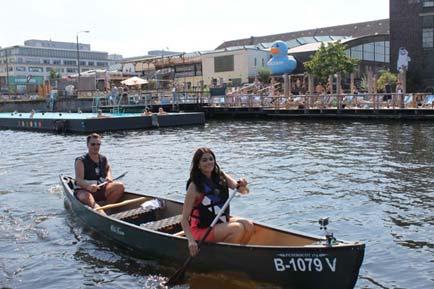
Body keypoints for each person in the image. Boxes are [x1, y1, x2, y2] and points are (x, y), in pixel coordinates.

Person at [181, 148, 254, 257]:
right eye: (204, 160)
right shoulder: (194, 186)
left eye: (211, 159)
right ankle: (225, 258)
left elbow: (243, 191)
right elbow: (184, 220)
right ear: (198, 165)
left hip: (220, 222)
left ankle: (237, 256)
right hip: (202, 229)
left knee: (249, 225)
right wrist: (191, 241)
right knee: (237, 229)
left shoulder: (221, 176)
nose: (209, 162)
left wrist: (243, 185)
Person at [74, 133, 125, 211]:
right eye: (93, 144)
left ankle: (106, 208)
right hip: (84, 190)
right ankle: (99, 211)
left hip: (101, 187)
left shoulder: (103, 158)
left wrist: (109, 177)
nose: (96, 147)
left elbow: (108, 168)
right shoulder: (80, 161)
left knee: (120, 186)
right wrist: (89, 187)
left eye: (98, 144)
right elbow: (79, 180)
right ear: (87, 145)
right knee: (86, 197)